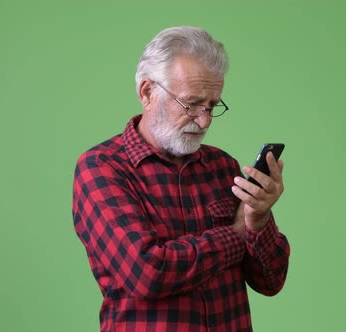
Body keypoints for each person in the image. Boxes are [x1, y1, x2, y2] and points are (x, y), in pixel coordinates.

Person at [72, 26, 290, 332]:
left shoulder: (223, 166)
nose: (204, 120)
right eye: (191, 104)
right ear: (147, 93)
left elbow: (271, 281)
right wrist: (234, 235)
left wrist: (259, 219)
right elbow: (148, 273)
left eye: (213, 105)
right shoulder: (102, 168)